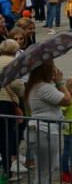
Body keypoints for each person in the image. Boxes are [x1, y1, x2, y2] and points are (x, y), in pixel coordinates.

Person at [25, 59, 72, 184]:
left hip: (39, 130)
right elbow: (68, 100)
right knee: (46, 172)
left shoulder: (36, 86)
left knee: (46, 170)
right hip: (44, 131)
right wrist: (60, 83)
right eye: (53, 66)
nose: (55, 69)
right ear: (45, 69)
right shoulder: (43, 88)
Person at [0, 39, 24, 182]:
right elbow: (17, 85)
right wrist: (21, 94)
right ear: (15, 50)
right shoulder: (13, 63)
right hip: (6, 104)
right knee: (5, 139)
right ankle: (6, 173)